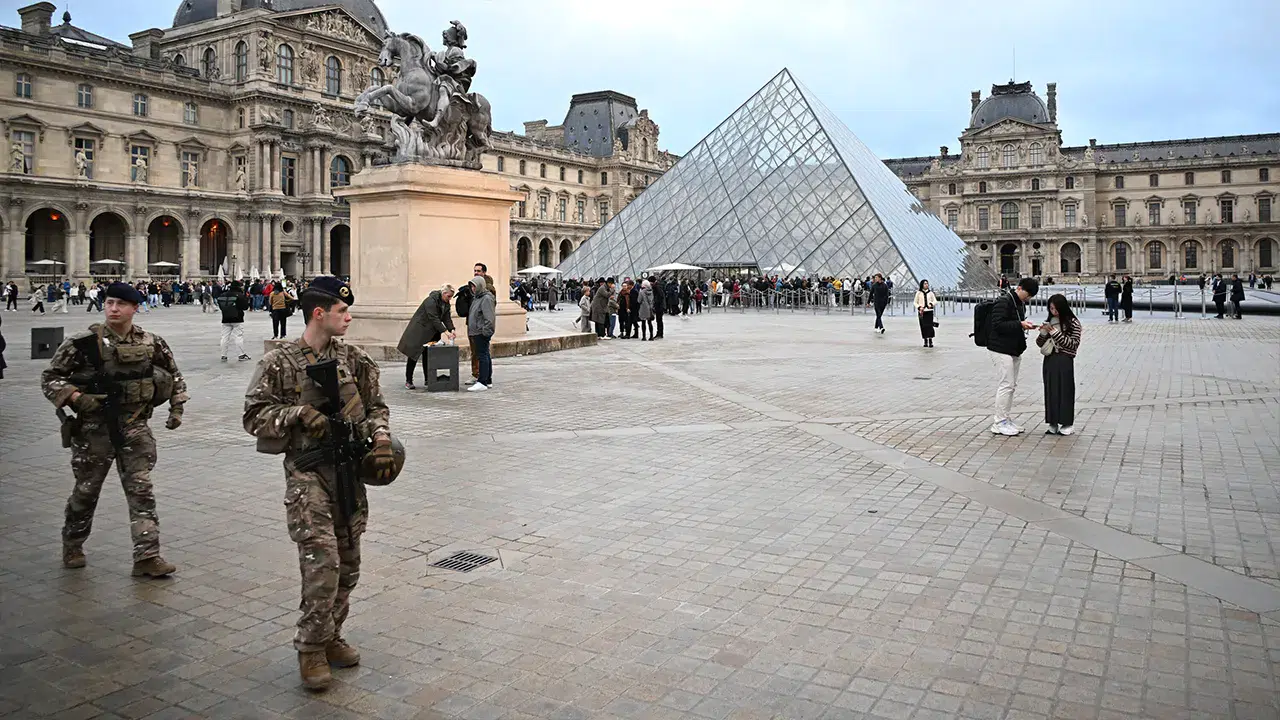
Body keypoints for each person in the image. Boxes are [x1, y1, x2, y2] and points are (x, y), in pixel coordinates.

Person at [242, 277, 395, 691]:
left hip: (349, 474)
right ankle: (310, 648)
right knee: (322, 564)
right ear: (318, 313)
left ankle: (331, 635)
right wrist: (295, 414)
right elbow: (253, 416)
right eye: (342, 311)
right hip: (307, 474)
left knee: (349, 564)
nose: (349, 318)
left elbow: (377, 407)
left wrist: (381, 437)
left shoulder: (355, 360)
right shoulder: (279, 363)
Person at [40, 282, 187, 575]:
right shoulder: (83, 343)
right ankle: (73, 543)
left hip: (134, 426)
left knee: (141, 490)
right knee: (86, 491)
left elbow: (173, 375)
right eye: (109, 303)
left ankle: (147, 556)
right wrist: (76, 397)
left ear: (134, 308)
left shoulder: (151, 342)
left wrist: (177, 408)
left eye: (120, 304)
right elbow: (50, 378)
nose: (113, 309)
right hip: (94, 429)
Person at [987, 277, 1039, 436]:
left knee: (1011, 386)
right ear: (1020, 288)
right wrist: (1020, 324)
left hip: (1013, 348)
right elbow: (997, 324)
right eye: (1028, 295)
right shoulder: (1004, 301)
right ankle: (999, 422)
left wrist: (1024, 325)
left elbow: (1014, 323)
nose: (1028, 299)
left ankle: (1005, 418)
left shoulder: (1019, 303)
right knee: (1006, 385)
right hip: (1000, 348)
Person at [1036, 294, 1082, 436]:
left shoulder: (1073, 323)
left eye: (1056, 309)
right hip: (1050, 358)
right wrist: (1043, 333)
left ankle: (1067, 423)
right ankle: (1052, 422)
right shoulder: (1050, 321)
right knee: (1051, 390)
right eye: (1051, 308)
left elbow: (1073, 344)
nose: (1054, 312)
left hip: (1065, 359)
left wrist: (1055, 333)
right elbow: (1039, 343)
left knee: (1065, 390)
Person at [397, 284, 455, 390]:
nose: (450, 299)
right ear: (443, 293)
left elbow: (447, 318)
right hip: (420, 331)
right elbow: (433, 318)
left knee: (428, 355)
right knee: (413, 355)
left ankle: (428, 379)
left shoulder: (446, 303)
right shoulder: (430, 301)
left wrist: (452, 329)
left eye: (451, 297)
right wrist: (445, 331)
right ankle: (409, 380)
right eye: (449, 296)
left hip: (432, 333)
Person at [466, 275, 495, 391]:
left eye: (474, 286)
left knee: (482, 356)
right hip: (476, 331)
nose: (473, 289)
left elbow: (489, 318)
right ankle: (487, 380)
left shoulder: (486, 298)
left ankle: (482, 381)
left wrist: (485, 332)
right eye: (472, 286)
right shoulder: (477, 298)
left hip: (481, 332)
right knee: (484, 355)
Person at [216, 281, 252, 361]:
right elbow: (245, 307)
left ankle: (223, 355)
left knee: (224, 337)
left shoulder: (223, 294)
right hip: (237, 318)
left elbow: (221, 306)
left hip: (225, 318)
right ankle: (241, 355)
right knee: (238, 336)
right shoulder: (240, 295)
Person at [914, 279, 937, 348]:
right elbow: (915, 302)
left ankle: (930, 340)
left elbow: (935, 301)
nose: (926, 285)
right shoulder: (918, 293)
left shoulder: (931, 293)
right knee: (923, 326)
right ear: (922, 285)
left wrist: (931, 304)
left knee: (929, 326)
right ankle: (925, 340)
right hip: (922, 312)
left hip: (929, 311)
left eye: (927, 283)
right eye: (925, 283)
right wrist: (919, 307)